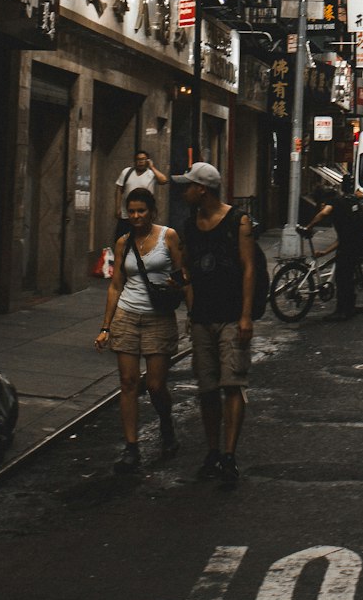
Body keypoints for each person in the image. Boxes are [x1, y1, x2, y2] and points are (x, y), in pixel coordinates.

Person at [173, 161, 256, 489]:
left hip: (232, 317)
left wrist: (246, 316)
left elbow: (249, 268)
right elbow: (187, 270)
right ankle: (211, 451)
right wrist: (188, 307)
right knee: (207, 389)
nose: (185, 191)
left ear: (202, 190)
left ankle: (229, 454)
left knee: (232, 384)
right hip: (203, 319)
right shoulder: (190, 225)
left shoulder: (238, 221)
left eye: (189, 186)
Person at [95, 188, 184, 474]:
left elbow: (184, 276)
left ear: (152, 211)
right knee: (128, 383)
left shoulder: (168, 236)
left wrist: (180, 290)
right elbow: (116, 285)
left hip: (159, 318)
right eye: (131, 211)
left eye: (141, 211)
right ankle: (131, 447)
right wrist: (105, 326)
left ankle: (166, 426)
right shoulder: (123, 242)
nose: (135, 216)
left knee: (156, 385)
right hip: (127, 316)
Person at [306, 173, 363, 319]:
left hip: (353, 243)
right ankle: (348, 307)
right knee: (345, 275)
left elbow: (324, 213)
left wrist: (310, 226)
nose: (321, 206)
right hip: (353, 240)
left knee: (343, 277)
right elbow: (341, 239)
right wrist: (324, 252)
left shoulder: (333, 202)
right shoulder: (341, 203)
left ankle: (344, 311)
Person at [114, 149, 168, 241]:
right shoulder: (127, 172)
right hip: (126, 214)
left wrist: (152, 167)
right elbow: (119, 189)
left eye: (143, 159)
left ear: (148, 161)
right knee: (122, 239)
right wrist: (117, 207)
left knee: (141, 239)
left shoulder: (151, 174)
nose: (140, 162)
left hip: (144, 215)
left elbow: (164, 180)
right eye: (138, 160)